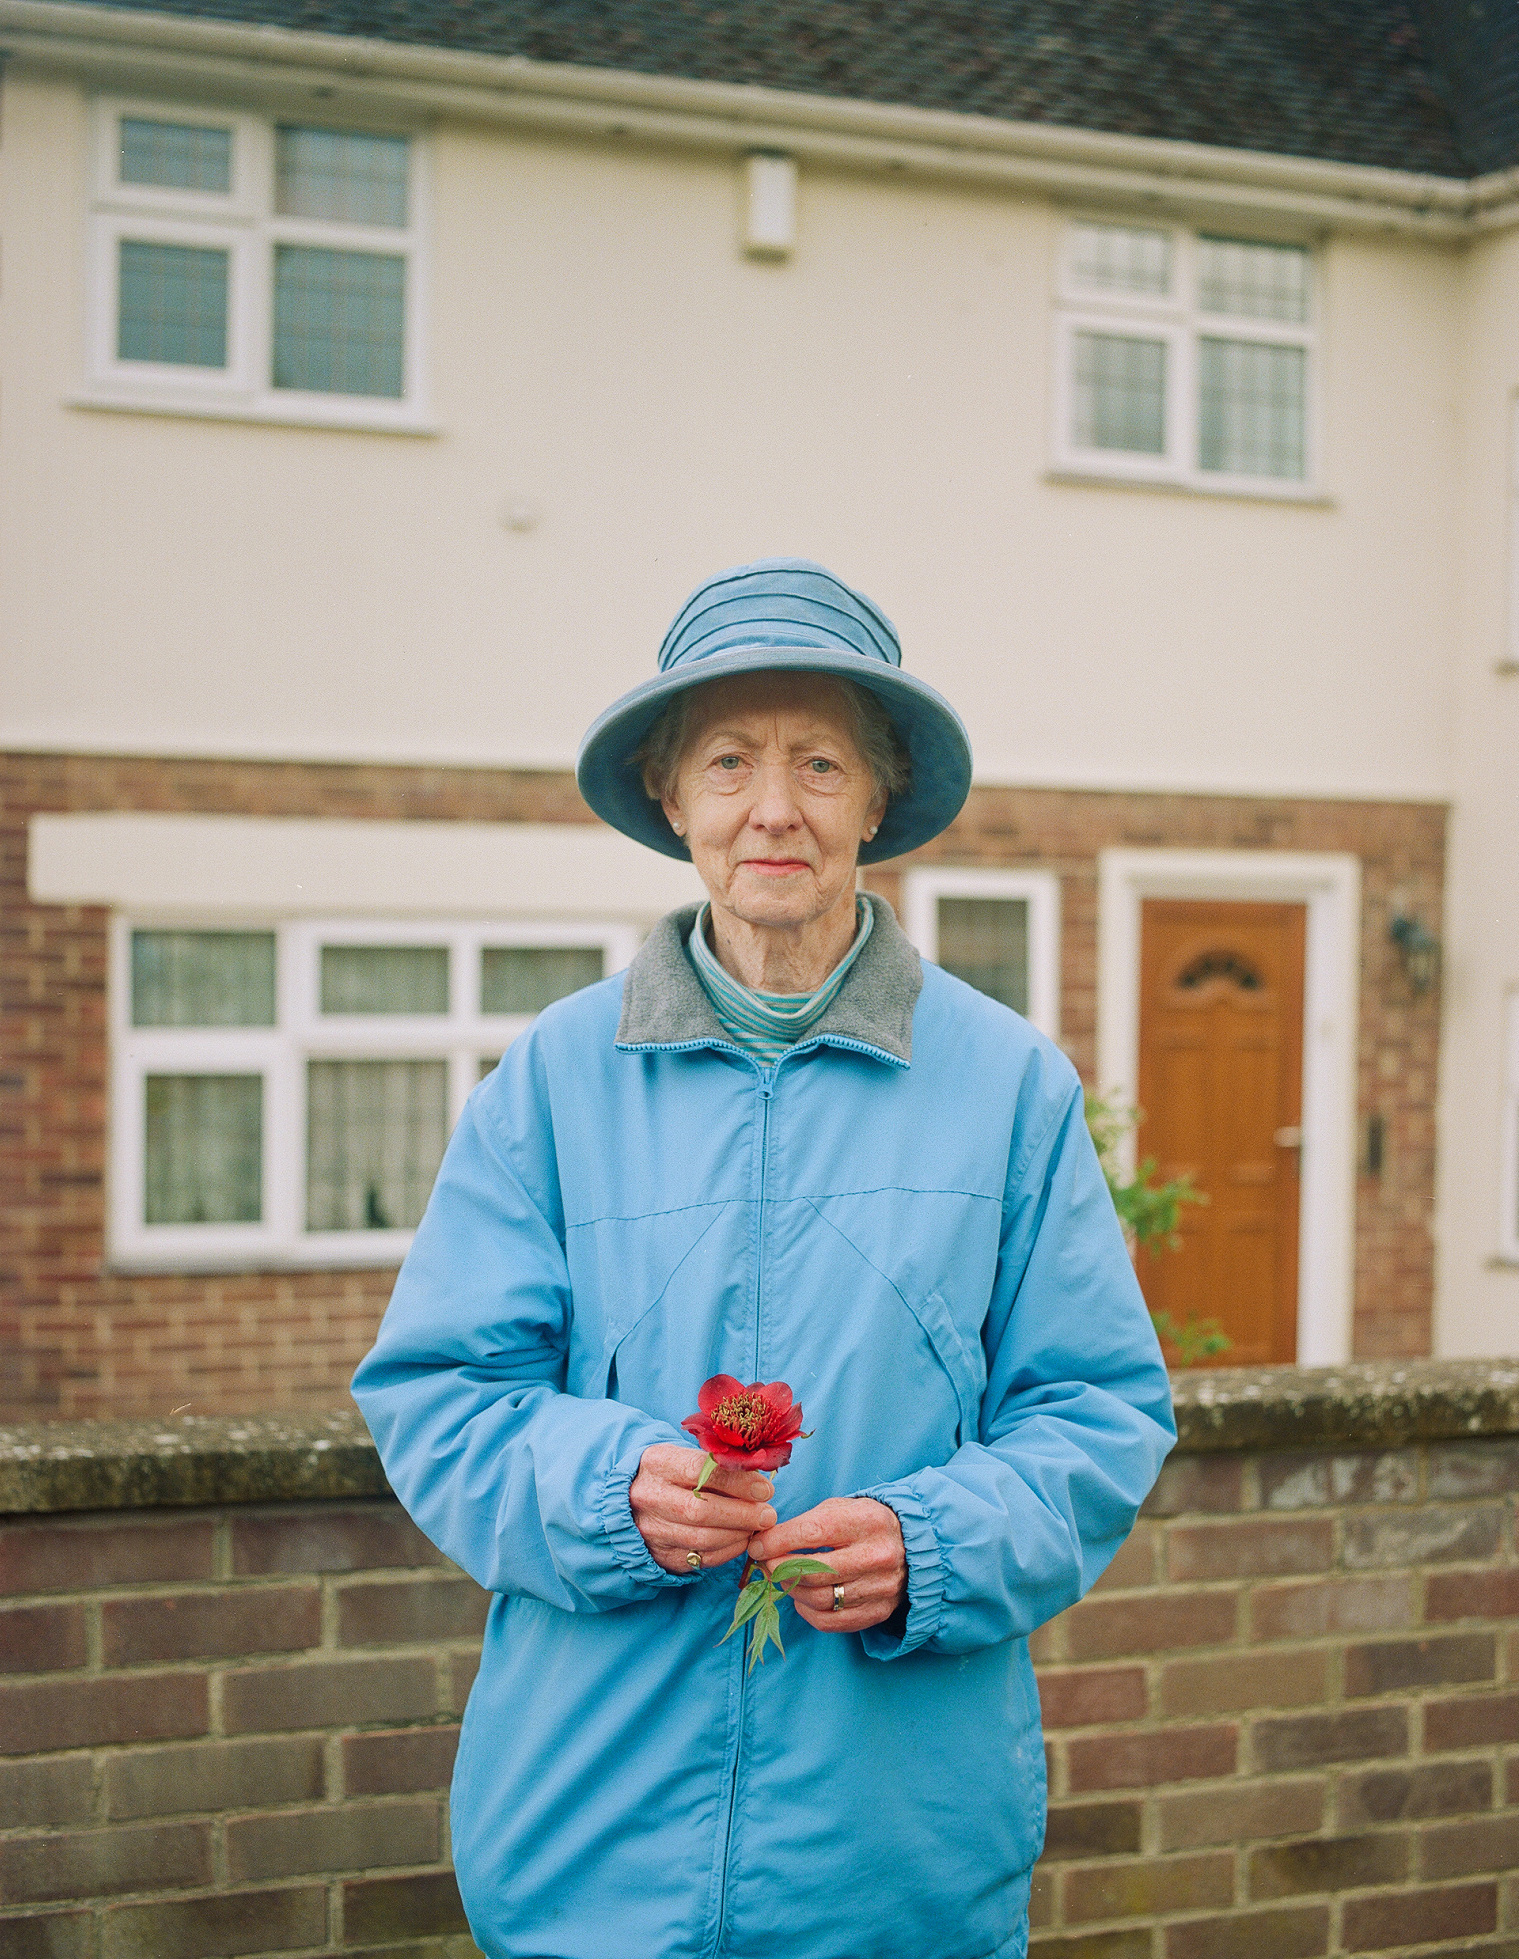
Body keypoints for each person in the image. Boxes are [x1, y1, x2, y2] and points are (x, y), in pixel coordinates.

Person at [351, 558, 1174, 1959]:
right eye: (729, 760)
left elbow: (1098, 1417)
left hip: (897, 1868)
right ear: (674, 801)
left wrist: (936, 1542)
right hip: (586, 1857)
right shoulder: (550, 1082)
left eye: (820, 760)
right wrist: (611, 1491)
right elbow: (439, 1397)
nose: (774, 805)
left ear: (878, 796)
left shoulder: (1010, 1089)